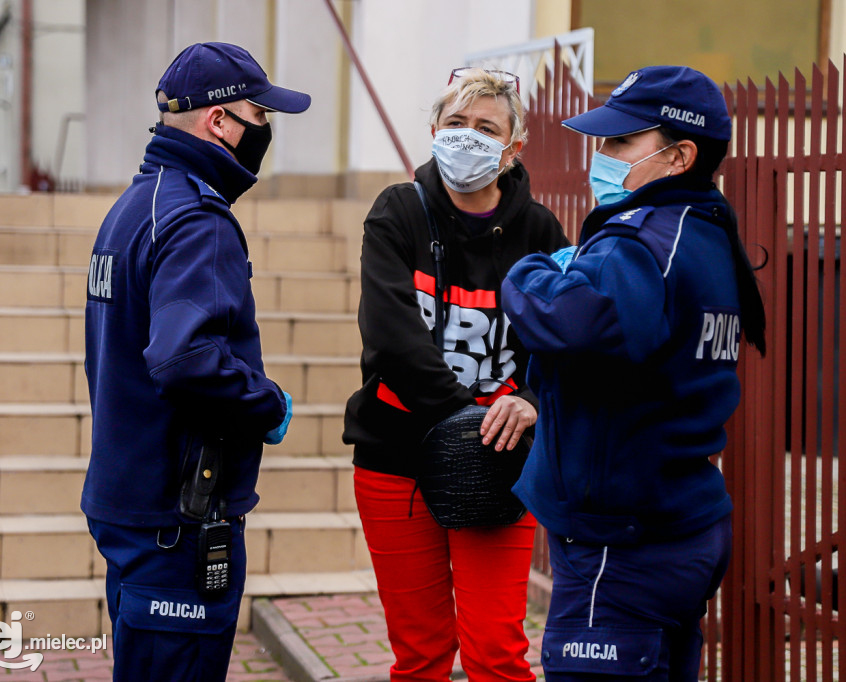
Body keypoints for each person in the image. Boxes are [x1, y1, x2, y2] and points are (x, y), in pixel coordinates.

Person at [501, 65, 767, 681]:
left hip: (620, 547)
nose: (605, 154)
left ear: (679, 156)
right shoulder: (705, 231)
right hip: (679, 524)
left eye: (623, 142)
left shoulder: (643, 240)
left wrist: (531, 270)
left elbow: (571, 322)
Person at [82, 42, 308, 681]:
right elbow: (184, 357)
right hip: (176, 518)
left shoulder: (135, 208)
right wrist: (266, 403)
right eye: (259, 116)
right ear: (219, 122)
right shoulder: (197, 220)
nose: (266, 130)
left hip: (134, 505)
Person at [343, 67, 569, 681]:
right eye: (456, 125)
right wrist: (464, 416)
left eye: (486, 128)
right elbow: (390, 336)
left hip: (498, 459)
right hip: (396, 456)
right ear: (435, 130)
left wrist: (529, 399)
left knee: (497, 652)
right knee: (420, 655)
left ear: (513, 148)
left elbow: (560, 343)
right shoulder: (397, 212)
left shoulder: (541, 232)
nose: (467, 138)